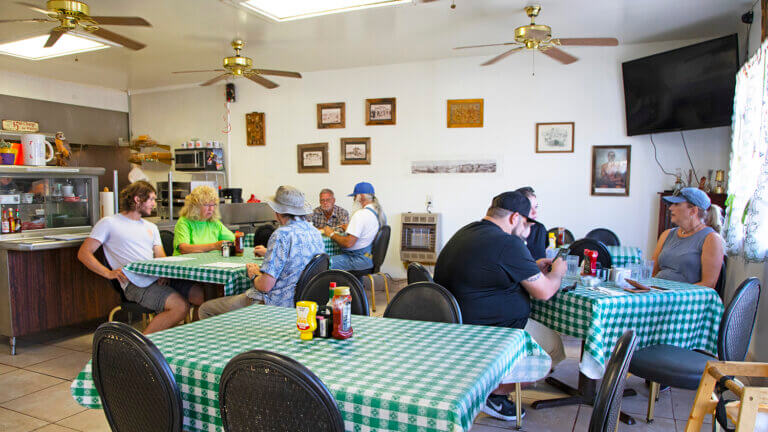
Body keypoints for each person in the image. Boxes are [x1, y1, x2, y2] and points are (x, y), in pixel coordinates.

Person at [434, 191, 566, 422]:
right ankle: (493, 392)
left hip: (454, 323)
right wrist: (558, 273)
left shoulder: (468, 231)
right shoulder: (508, 243)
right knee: (554, 347)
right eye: (527, 222)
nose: (529, 228)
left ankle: (490, 384)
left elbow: (490, 267)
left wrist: (530, 266)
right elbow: (545, 291)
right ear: (515, 218)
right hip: (489, 332)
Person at [77, 181, 201, 334]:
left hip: (158, 278)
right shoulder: (109, 223)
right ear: (137, 199)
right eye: (151, 199)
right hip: (135, 283)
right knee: (180, 307)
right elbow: (84, 253)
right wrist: (108, 273)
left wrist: (163, 273)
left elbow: (160, 256)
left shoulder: (151, 227)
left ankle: (194, 338)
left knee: (203, 295)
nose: (154, 204)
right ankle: (140, 349)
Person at [198, 185, 324, 318]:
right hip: (305, 304)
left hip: (276, 304)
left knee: (206, 309)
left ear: (278, 211)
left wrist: (254, 274)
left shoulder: (281, 235)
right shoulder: (314, 232)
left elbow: (265, 286)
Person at [651, 187, 724, 287]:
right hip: (658, 293)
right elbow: (652, 272)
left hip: (684, 299)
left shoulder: (711, 238)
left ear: (693, 211)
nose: (670, 208)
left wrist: (673, 294)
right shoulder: (666, 234)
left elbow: (708, 284)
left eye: (676, 204)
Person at [325, 182, 386, 271]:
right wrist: (350, 229)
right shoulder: (379, 213)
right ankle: (353, 283)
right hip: (369, 258)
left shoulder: (361, 214)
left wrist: (331, 234)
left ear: (360, 197)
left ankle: (335, 284)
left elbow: (348, 243)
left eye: (354, 197)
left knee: (321, 263)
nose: (353, 200)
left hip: (357, 259)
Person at [173, 185, 235, 255]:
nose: (211, 209)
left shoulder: (214, 223)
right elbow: (184, 249)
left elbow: (233, 239)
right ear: (195, 206)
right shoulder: (184, 222)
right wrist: (214, 246)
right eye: (206, 205)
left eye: (213, 205)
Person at [515, 186, 548, 260]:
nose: (535, 212)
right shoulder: (507, 231)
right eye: (529, 208)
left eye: (536, 207)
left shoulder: (540, 229)